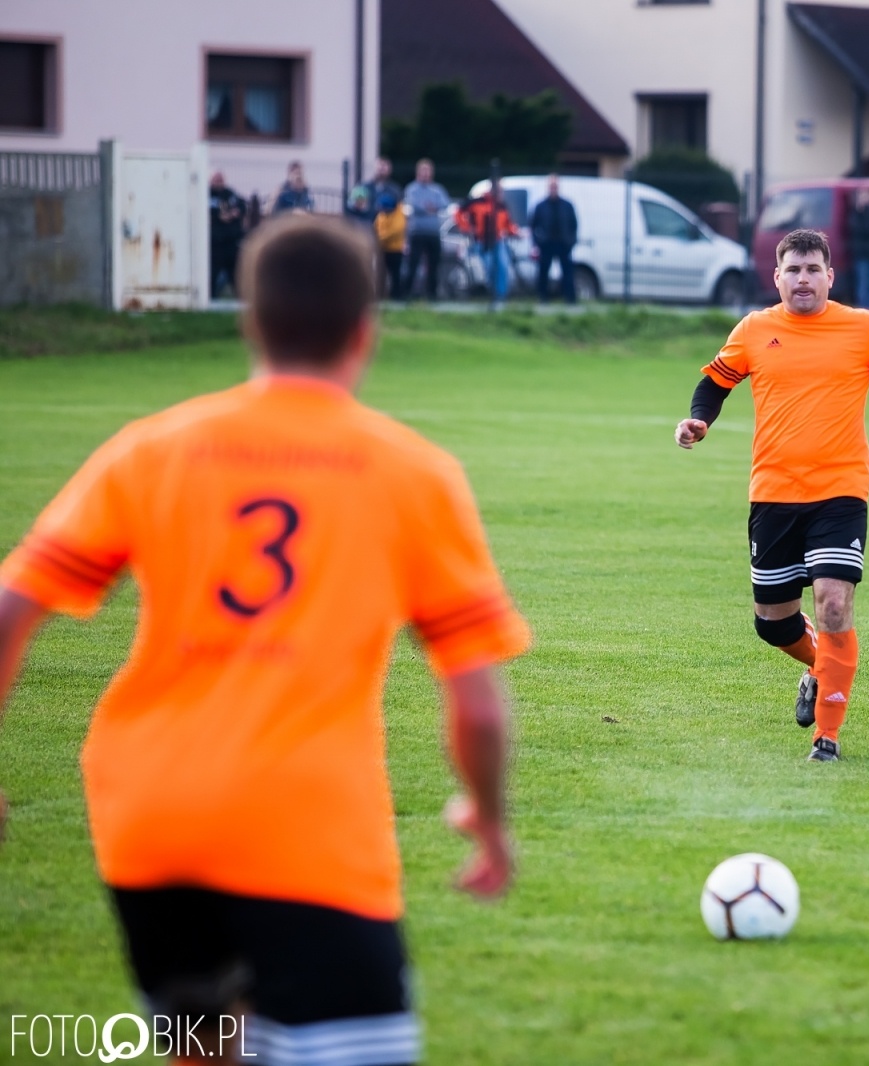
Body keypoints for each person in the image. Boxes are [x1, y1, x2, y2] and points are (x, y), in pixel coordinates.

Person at [0, 215, 531, 1063]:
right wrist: (490, 822)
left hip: (149, 820)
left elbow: (10, 609)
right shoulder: (411, 473)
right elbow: (478, 707)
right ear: (364, 332)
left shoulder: (154, 449)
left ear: (250, 322)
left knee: (206, 1043)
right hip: (306, 828)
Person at [673, 228, 869, 763]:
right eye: (793, 269)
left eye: (813, 269)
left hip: (841, 489)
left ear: (830, 276)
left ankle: (826, 737)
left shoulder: (863, 327)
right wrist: (698, 420)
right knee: (773, 622)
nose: (803, 279)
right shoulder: (754, 329)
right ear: (777, 277)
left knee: (834, 603)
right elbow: (715, 384)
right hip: (773, 491)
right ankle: (821, 668)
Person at [454, 179, 520, 310]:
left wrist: (515, 232)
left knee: (502, 265)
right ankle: (492, 293)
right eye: (499, 191)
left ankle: (501, 296)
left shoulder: (501, 205)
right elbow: (458, 212)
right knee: (489, 265)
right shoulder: (477, 202)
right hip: (481, 241)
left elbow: (508, 224)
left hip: (497, 240)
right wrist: (466, 227)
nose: (501, 194)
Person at [402, 158, 450, 301]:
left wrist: (429, 207)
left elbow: (444, 204)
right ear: (418, 172)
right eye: (423, 171)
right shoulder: (412, 188)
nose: (425, 174)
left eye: (428, 171)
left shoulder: (437, 189)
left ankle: (432, 295)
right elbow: (414, 205)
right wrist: (430, 208)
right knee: (413, 264)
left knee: (434, 265)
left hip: (433, 233)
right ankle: (406, 294)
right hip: (417, 232)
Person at [529, 174, 578, 304]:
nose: (553, 189)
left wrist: (571, 241)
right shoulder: (541, 206)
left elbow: (574, 225)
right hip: (546, 244)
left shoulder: (567, 205)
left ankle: (570, 299)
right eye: (551, 186)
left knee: (567, 272)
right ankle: (543, 298)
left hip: (564, 243)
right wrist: (536, 242)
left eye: (555, 186)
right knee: (543, 271)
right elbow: (533, 226)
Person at [208, 171, 245, 298]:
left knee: (235, 273)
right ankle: (210, 298)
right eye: (216, 180)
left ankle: (240, 299)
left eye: (221, 180)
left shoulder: (230, 194)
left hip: (231, 242)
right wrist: (218, 216)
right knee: (213, 273)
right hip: (215, 243)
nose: (219, 182)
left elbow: (242, 206)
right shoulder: (206, 194)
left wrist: (234, 213)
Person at [375, 190, 408, 299]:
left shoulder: (399, 214)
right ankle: (380, 294)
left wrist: (380, 239)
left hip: (395, 249)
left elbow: (396, 231)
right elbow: (377, 228)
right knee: (381, 274)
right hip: (383, 249)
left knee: (395, 274)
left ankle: (396, 295)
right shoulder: (382, 215)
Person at [348, 157, 401, 222]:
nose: (381, 168)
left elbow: (399, 210)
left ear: (390, 169)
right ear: (374, 168)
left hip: (386, 225)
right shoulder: (363, 187)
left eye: (384, 166)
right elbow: (351, 206)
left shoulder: (395, 190)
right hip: (364, 224)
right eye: (380, 166)